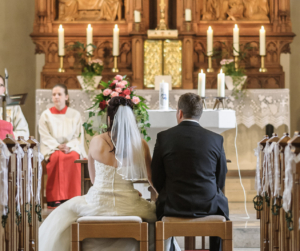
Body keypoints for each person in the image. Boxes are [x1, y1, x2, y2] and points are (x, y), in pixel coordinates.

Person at [39, 97, 161, 251]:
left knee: (64, 214)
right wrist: (158, 196)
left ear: (109, 118)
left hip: (98, 203)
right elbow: (152, 179)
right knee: (155, 218)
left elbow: (94, 179)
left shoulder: (96, 141)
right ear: (130, 118)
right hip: (130, 204)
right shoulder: (141, 144)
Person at [151, 93, 229, 251]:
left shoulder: (164, 137)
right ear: (200, 114)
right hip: (208, 204)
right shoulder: (216, 139)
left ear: (179, 113)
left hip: (173, 204)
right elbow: (220, 178)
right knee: (221, 202)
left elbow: (156, 177)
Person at [39, 84, 87, 208]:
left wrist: (69, 146)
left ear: (66, 96)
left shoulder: (74, 114)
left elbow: (78, 136)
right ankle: (54, 198)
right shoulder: (46, 115)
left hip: (70, 147)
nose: (56, 97)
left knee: (73, 158)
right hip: (53, 147)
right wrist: (57, 146)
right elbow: (44, 135)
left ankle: (73, 197)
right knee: (56, 158)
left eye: (59, 94)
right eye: (54, 94)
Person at [0, 75, 30, 139]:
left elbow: (24, 131)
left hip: (8, 146)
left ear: (4, 89)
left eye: (0, 85)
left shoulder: (13, 106)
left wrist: (8, 136)